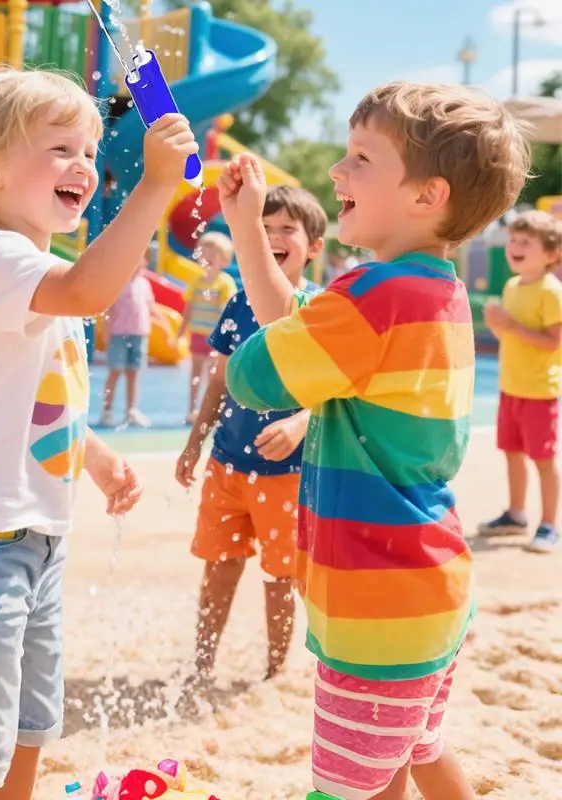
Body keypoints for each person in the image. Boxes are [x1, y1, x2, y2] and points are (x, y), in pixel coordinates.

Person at [219, 82, 530, 800]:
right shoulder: (433, 292)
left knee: (343, 788)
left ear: (427, 196)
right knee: (412, 755)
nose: (336, 171)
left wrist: (260, 349)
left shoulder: (374, 298)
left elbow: (257, 372)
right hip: (427, 594)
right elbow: (298, 328)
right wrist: (247, 232)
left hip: (377, 610)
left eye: (361, 157)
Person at [0, 68, 197, 800]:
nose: (84, 166)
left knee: (30, 731)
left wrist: (89, 453)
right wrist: (155, 187)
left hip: (35, 541)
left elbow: (34, 391)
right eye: (60, 147)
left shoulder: (34, 265)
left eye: (90, 150)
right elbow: (93, 292)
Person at [175, 185, 326, 685]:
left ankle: (274, 672)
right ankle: (201, 666)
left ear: (314, 246)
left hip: (288, 474)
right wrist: (195, 442)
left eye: (287, 229)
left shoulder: (321, 310)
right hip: (227, 463)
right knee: (218, 568)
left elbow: (338, 390)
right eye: (264, 230)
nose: (275, 237)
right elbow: (219, 379)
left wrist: (300, 421)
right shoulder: (239, 303)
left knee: (281, 576)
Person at [479, 210, 562, 553]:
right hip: (510, 388)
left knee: (543, 460)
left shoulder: (551, 290)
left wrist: (509, 326)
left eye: (526, 242)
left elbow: (553, 341)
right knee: (512, 453)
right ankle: (516, 515)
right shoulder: (512, 286)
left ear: (551, 254)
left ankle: (549, 525)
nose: (515, 246)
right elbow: (510, 336)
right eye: (514, 239)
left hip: (540, 391)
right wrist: (498, 325)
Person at [179, 231, 237, 422]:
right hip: (197, 334)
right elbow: (189, 309)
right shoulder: (195, 282)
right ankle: (192, 409)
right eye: (205, 253)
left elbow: (227, 310)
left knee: (215, 376)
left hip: (216, 338)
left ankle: (214, 410)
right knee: (195, 374)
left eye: (214, 254)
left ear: (225, 260)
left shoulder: (224, 283)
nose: (208, 257)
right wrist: (180, 332)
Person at [100, 250, 155, 428]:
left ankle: (132, 410)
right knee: (115, 371)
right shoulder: (118, 283)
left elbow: (150, 308)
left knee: (134, 372)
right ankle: (107, 410)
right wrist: (106, 331)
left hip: (139, 333)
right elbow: (110, 310)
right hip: (119, 333)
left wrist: (162, 327)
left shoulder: (144, 283)